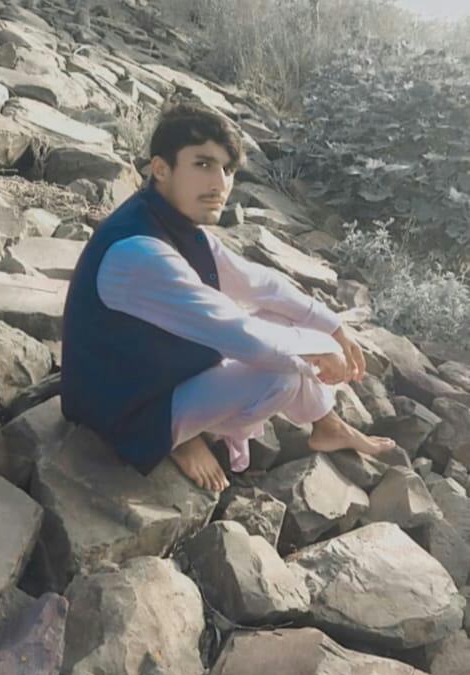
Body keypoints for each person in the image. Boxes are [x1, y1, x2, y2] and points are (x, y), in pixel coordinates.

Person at [61, 102, 395, 493]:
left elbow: (260, 284)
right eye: (203, 164)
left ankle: (328, 425)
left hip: (153, 367)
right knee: (283, 373)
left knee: (288, 323)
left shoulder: (174, 223)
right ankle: (178, 439)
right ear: (161, 169)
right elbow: (246, 338)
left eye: (228, 169)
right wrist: (319, 351)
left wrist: (333, 328)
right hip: (125, 407)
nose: (220, 184)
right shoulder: (140, 253)